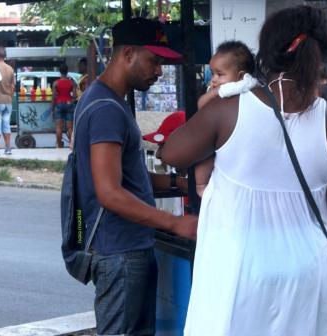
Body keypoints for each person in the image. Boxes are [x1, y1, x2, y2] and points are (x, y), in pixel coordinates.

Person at [162, 5, 327, 335]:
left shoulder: (226, 111)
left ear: (266, 52)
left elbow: (172, 152)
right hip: (308, 276)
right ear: (322, 55)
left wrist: (208, 103)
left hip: (238, 274)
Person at [73, 18, 197, 335]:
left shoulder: (112, 102)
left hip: (128, 250)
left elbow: (131, 180)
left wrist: (179, 184)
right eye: (154, 61)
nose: (159, 71)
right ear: (128, 53)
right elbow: (109, 192)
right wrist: (174, 223)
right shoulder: (106, 109)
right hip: (119, 254)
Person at [195, 40, 256, 196]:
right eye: (212, 73)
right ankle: (201, 184)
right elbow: (201, 104)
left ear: (241, 76)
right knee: (205, 155)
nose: (214, 79)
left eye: (220, 74)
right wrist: (217, 92)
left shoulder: (249, 90)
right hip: (214, 141)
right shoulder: (215, 90)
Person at [52, 63, 77, 148]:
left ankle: (59, 145)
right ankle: (71, 144)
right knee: (70, 128)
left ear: (60, 72)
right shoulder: (72, 83)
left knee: (59, 127)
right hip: (69, 104)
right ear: (67, 71)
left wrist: (52, 109)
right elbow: (74, 96)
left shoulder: (56, 83)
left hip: (59, 104)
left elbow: (54, 97)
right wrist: (71, 101)